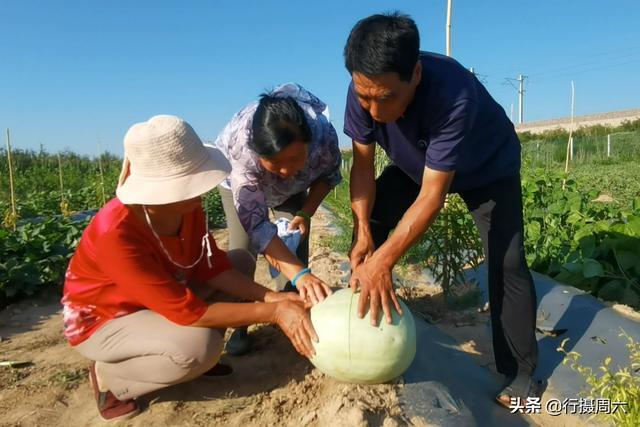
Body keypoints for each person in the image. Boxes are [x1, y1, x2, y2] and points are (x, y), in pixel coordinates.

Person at [61, 115, 317, 421]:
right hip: (105, 319)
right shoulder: (115, 233)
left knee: (240, 261)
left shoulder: (186, 208)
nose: (198, 193)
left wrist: (272, 298)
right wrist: (274, 313)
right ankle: (110, 379)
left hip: (158, 297)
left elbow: (213, 267)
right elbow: (188, 312)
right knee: (200, 348)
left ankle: (183, 360)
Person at [342, 13, 539, 407]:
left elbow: (433, 196)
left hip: (486, 168)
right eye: (365, 97)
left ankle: (521, 373)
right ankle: (364, 321)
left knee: (507, 261)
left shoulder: (453, 95)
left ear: (415, 73)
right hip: (417, 163)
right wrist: (364, 228)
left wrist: (387, 259)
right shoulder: (364, 88)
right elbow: (363, 166)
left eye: (385, 98)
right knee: (374, 219)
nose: (374, 110)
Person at [215, 83, 341, 354]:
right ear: (259, 155)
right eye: (274, 162)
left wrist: (306, 212)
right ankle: (240, 327)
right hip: (241, 188)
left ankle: (294, 314)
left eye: (295, 158)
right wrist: (303, 275)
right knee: (242, 250)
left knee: (295, 244)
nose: (285, 169)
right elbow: (257, 226)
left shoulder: (323, 137)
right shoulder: (242, 152)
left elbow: (329, 176)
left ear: (308, 144)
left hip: (292, 192)